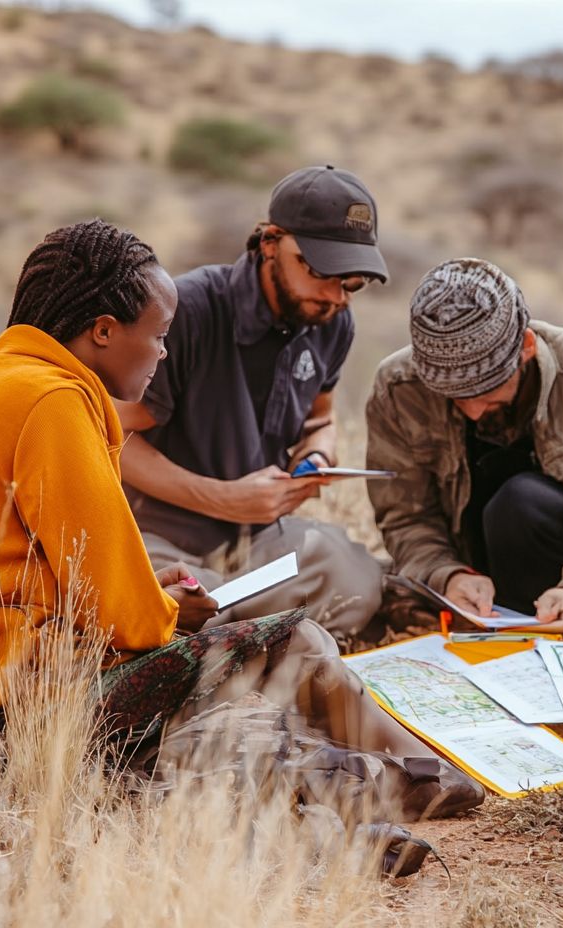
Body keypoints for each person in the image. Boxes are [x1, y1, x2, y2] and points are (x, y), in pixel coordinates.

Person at [0, 220, 481, 832]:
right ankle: (420, 776)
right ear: (103, 332)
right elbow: (130, 622)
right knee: (293, 641)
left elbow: (44, 572)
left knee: (244, 675)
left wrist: (156, 597)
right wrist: (172, 610)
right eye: (158, 336)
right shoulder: (52, 403)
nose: (163, 353)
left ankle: (380, 785)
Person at [117, 166, 386, 637]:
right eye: (321, 270)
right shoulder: (187, 309)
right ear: (270, 243)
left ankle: (243, 627)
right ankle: (242, 629)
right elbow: (115, 440)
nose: (335, 296)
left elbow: (319, 419)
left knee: (358, 580)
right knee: (188, 602)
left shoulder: (332, 322)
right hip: (158, 537)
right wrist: (225, 499)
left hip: (260, 542)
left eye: (352, 282)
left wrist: (318, 456)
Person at [366, 258, 563, 634]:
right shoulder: (399, 388)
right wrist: (448, 576)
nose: (472, 410)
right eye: (453, 396)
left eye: (484, 390)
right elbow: (407, 520)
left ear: (527, 347)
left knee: (520, 502)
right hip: (479, 595)